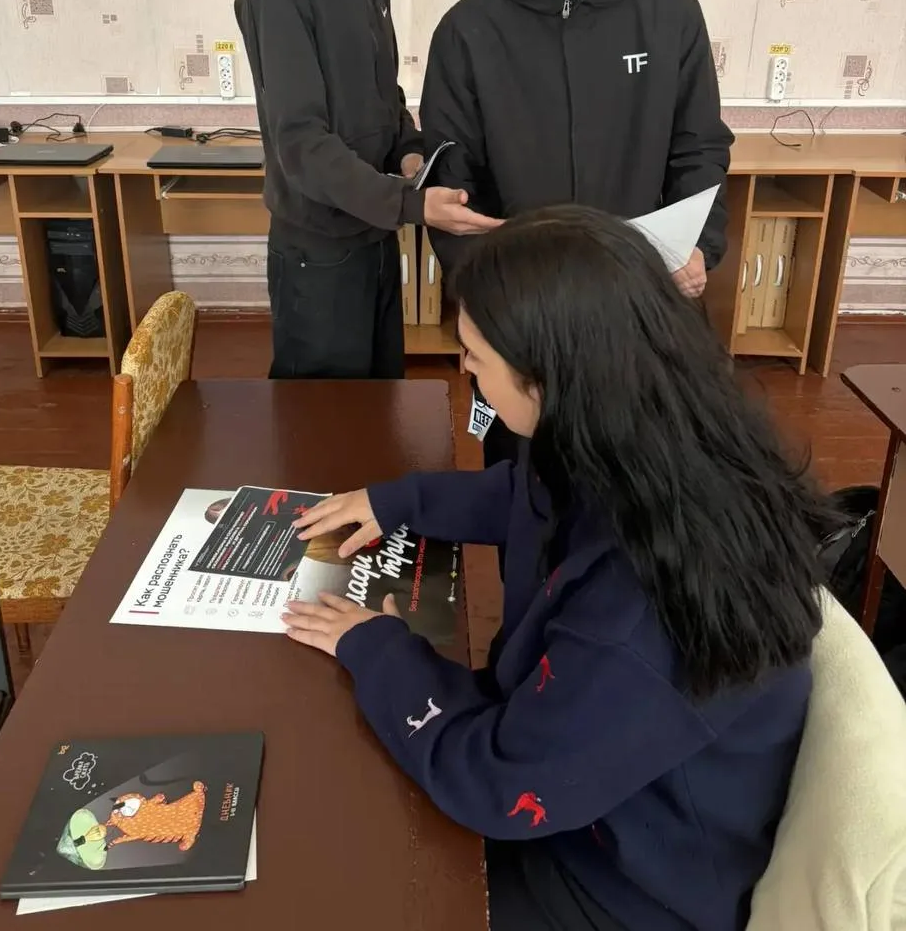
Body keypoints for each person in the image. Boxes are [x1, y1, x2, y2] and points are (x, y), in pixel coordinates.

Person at [283, 207, 833, 931]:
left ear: (544, 379)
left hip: (617, 888)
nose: (464, 371)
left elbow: (499, 787)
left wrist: (379, 650)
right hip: (588, 788)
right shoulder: (653, 441)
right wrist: (400, 502)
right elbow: (526, 496)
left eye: (474, 356)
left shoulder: (641, 613)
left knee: (335, 852)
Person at [419, 0, 734, 465]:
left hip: (642, 316)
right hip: (523, 330)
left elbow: (699, 148)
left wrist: (699, 246)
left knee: (644, 495)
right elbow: (454, 193)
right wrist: (493, 308)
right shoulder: (466, 34)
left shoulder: (670, 14)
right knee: (523, 499)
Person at [235, 0, 498, 380]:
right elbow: (301, 144)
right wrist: (412, 206)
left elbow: (381, 90)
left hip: (374, 232)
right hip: (319, 248)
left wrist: (408, 150)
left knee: (380, 398)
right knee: (324, 420)